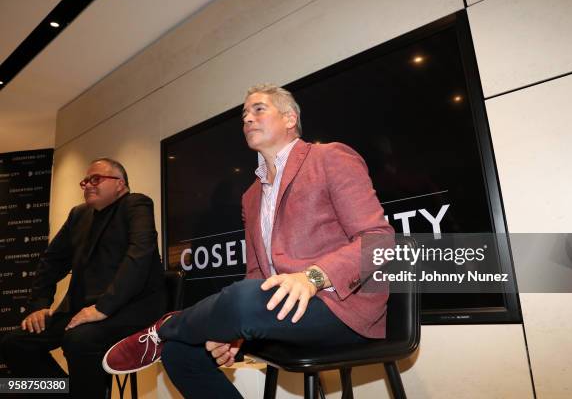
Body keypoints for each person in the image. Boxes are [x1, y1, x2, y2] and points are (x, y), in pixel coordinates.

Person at [102, 84, 394, 398]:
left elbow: (380, 241)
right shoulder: (251, 196)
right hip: (280, 310)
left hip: (339, 307)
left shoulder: (329, 157)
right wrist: (235, 332)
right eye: (244, 116)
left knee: (240, 300)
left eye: (258, 109)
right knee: (178, 354)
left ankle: (163, 328)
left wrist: (313, 278)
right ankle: (173, 333)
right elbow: (257, 275)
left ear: (289, 119)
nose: (248, 120)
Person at [0, 158, 166, 398]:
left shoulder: (136, 204)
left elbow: (139, 256)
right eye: (85, 181)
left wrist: (102, 308)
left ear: (120, 184)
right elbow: (52, 260)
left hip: (130, 308)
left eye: (96, 179)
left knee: (78, 340)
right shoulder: (79, 214)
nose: (88, 184)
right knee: (14, 343)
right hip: (80, 311)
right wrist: (40, 304)